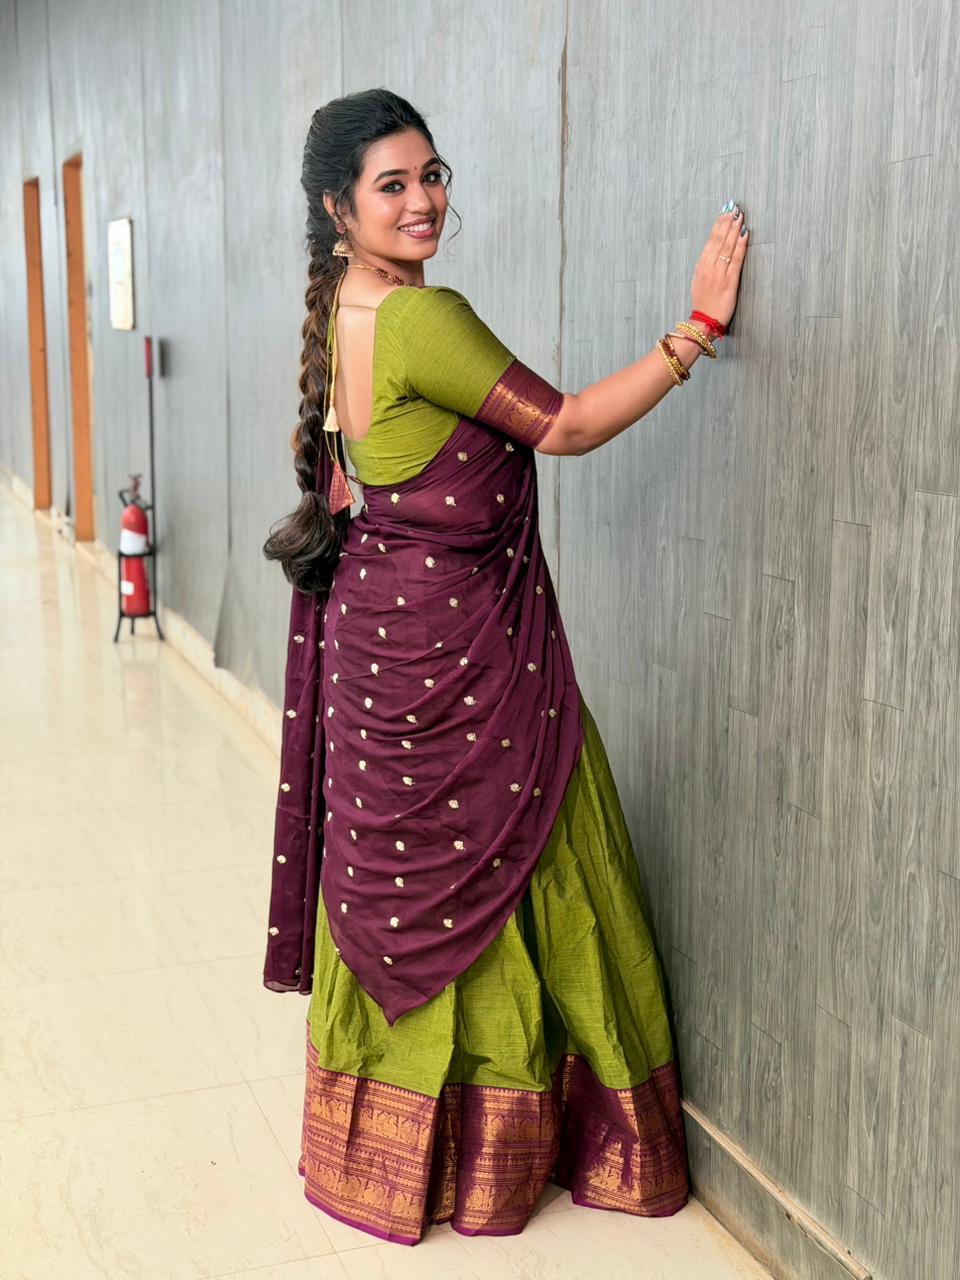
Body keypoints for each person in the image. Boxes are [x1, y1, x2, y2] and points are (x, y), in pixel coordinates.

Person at [261, 87, 748, 1246]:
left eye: (432, 174)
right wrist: (696, 327)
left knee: (411, 877)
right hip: (465, 651)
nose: (424, 201)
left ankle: (403, 1152)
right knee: (534, 848)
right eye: (393, 184)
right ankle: (516, 1144)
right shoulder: (422, 320)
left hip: (381, 644)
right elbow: (565, 425)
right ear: (338, 207)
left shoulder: (340, 309)